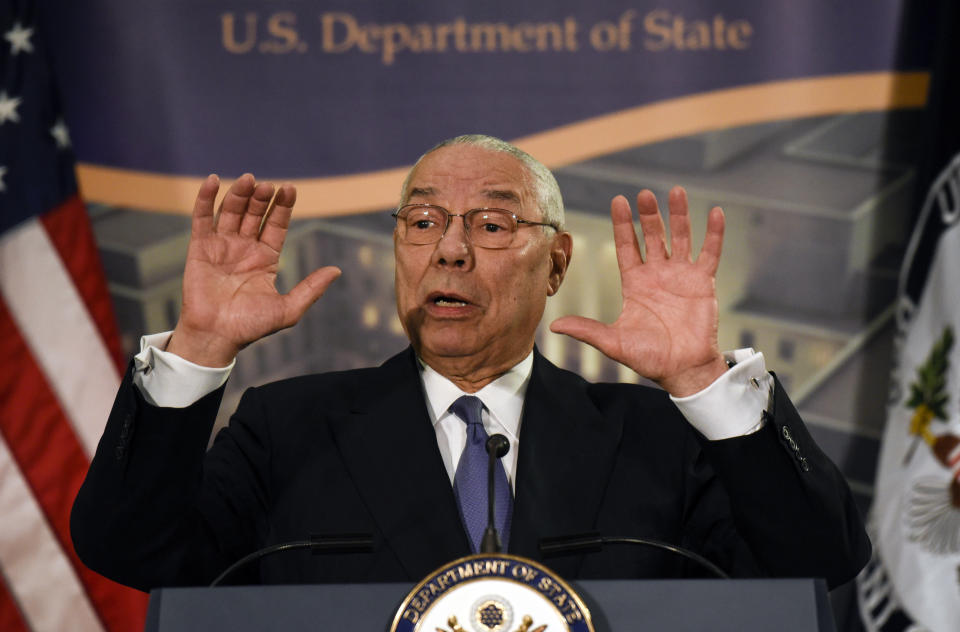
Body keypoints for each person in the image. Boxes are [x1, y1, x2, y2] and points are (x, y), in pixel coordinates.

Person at [71, 134, 870, 591]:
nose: (448, 250)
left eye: (491, 224)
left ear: (556, 265)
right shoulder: (289, 427)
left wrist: (700, 380)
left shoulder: (657, 436)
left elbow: (819, 562)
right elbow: (129, 550)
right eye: (421, 221)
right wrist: (201, 346)